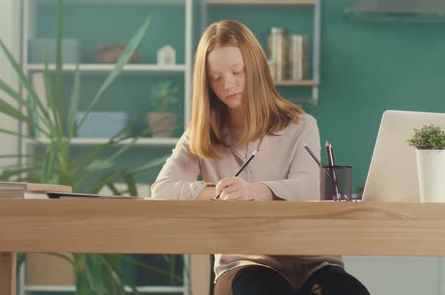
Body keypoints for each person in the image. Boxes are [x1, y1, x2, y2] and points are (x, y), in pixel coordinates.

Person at [151, 20, 370, 295]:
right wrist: (219, 192)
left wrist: (256, 191)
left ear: (255, 68)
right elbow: (162, 191)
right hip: (246, 263)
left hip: (314, 261)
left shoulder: (300, 124)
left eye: (236, 71)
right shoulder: (200, 135)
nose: (228, 84)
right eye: (216, 78)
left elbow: (309, 186)